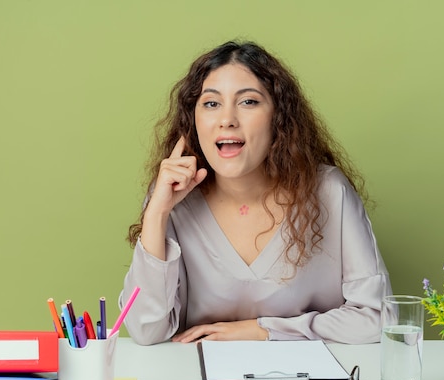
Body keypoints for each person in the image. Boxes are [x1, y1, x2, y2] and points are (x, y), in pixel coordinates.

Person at [119, 40, 392, 345]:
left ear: (279, 117)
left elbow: (378, 318)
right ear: (192, 120)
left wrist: (263, 330)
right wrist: (156, 214)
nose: (227, 119)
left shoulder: (329, 192)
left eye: (248, 102)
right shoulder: (171, 198)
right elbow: (146, 330)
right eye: (211, 103)